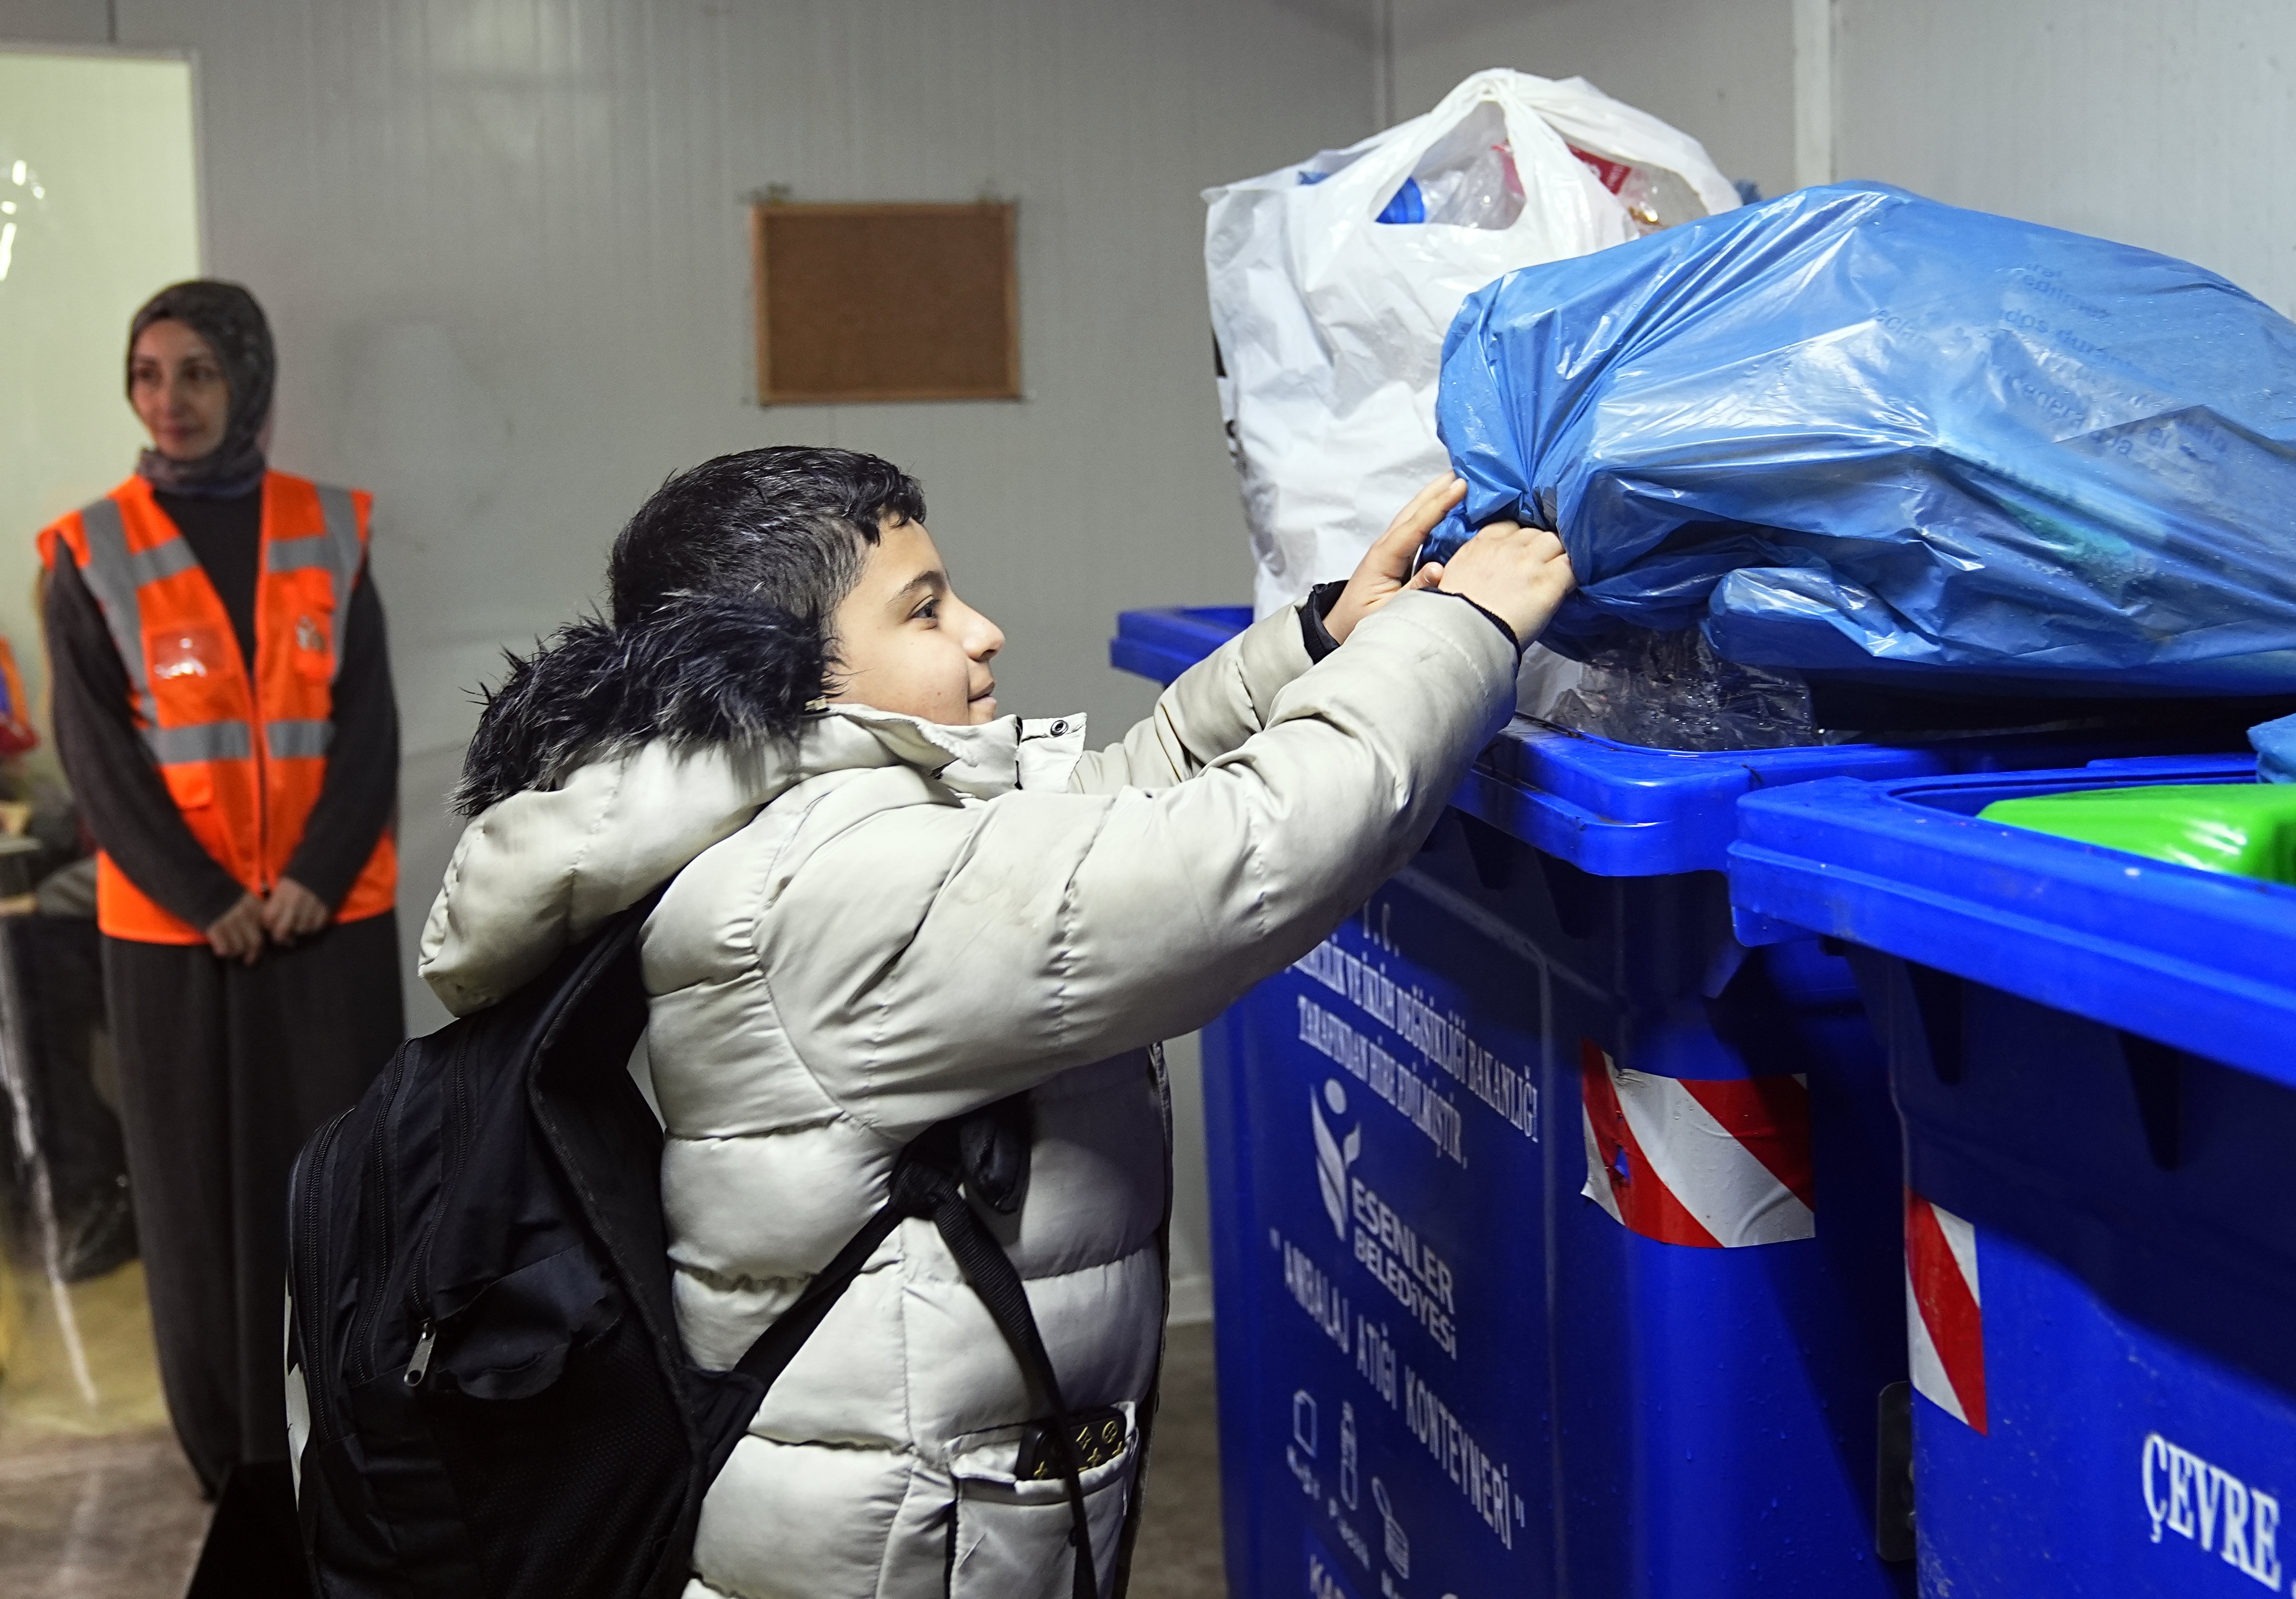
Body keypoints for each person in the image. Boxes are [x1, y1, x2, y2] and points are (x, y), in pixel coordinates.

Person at [419, 447, 1571, 1597]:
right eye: (925, 609)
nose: (983, 631)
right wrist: (1461, 629)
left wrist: (1320, 643)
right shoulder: (835, 881)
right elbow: (1243, 853)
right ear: (778, 667)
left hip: (912, 1517)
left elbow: (1116, 805)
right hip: (896, 1554)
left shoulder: (818, 814)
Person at [37, 280, 404, 1496]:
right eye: (148, 374)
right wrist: (209, 898)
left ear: (248, 378)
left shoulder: (327, 528)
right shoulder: (88, 551)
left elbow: (366, 727)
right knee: (196, 1204)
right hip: (177, 938)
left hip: (322, 925)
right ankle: (233, 1455)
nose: (170, 399)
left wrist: (311, 877)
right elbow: (97, 758)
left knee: (337, 1190)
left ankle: (344, 1434)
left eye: (197, 370)